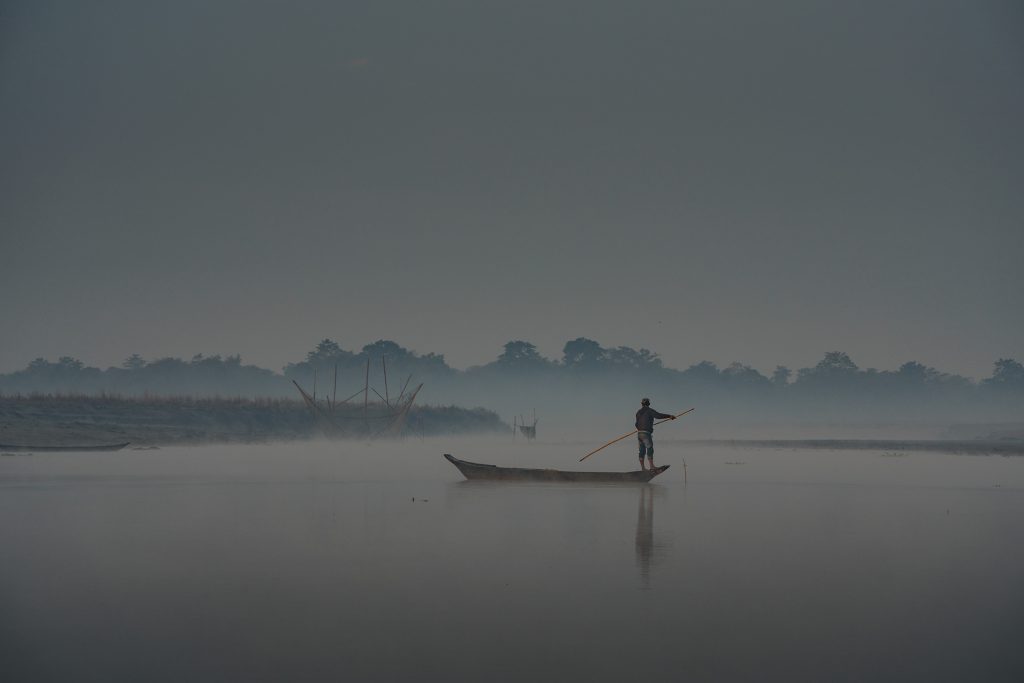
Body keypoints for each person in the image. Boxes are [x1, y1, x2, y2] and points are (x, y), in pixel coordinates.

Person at [635, 398, 674, 470]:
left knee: (642, 451)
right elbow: (658, 416)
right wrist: (669, 416)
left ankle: (643, 468)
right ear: (648, 404)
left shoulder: (638, 412)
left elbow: (636, 424)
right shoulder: (649, 410)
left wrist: (641, 428)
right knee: (649, 448)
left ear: (642, 404)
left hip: (639, 434)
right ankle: (652, 466)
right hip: (646, 434)